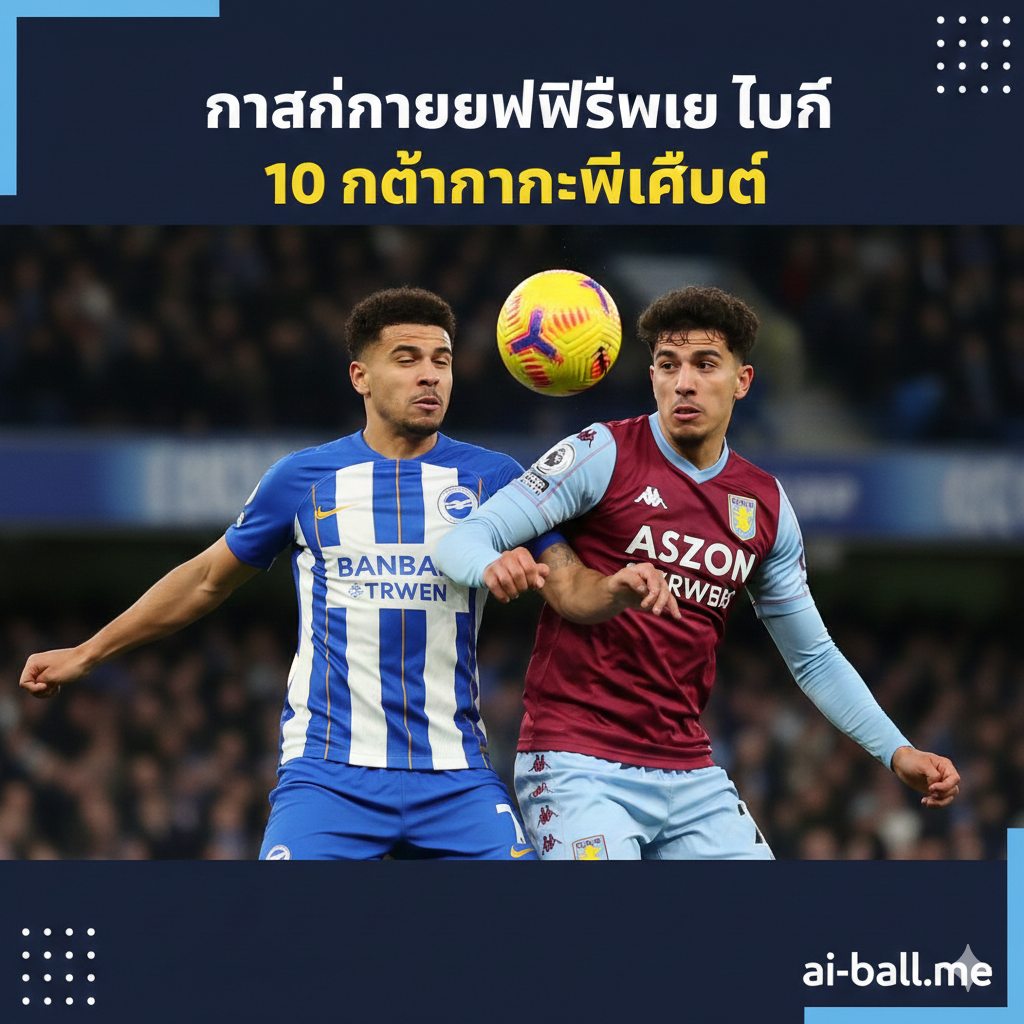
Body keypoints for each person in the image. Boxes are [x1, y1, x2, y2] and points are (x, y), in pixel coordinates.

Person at [20, 287, 557, 861]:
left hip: (458, 775)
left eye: (442, 361)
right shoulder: (303, 478)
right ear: (361, 376)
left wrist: (607, 580)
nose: (430, 376)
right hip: (328, 776)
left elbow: (569, 578)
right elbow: (206, 579)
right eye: (407, 359)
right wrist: (88, 652)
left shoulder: (496, 478)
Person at [435, 285, 961, 860]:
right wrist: (491, 563)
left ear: (743, 381)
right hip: (575, 764)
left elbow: (814, 658)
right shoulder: (602, 452)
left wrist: (897, 751)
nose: (684, 381)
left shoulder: (765, 504)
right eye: (668, 365)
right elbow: (464, 536)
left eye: (705, 364)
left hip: (688, 770)